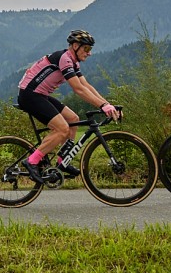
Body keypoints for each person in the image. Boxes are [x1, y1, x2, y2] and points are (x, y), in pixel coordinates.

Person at [16, 30, 120, 184]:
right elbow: (78, 89)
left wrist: (107, 104)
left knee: (73, 119)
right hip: (29, 95)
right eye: (87, 49)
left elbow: (86, 85)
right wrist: (103, 105)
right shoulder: (64, 59)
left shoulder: (73, 61)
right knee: (62, 129)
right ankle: (31, 161)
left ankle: (61, 162)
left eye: (90, 49)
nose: (89, 53)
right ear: (76, 46)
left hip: (40, 94)